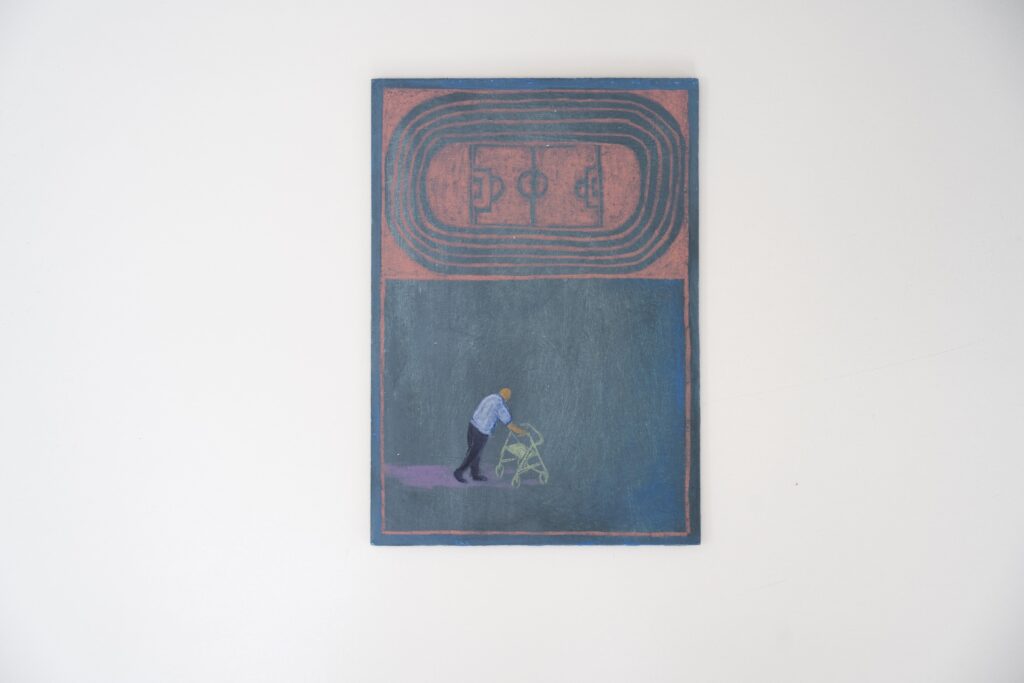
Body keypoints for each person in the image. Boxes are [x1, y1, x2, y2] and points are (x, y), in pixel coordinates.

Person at [454, 387, 526, 483]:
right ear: (507, 397)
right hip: (481, 432)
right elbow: (510, 425)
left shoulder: (490, 397)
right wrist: (523, 432)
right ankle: (459, 471)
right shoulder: (500, 406)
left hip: (472, 425)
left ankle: (475, 474)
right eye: (509, 398)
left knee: (474, 452)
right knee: (473, 454)